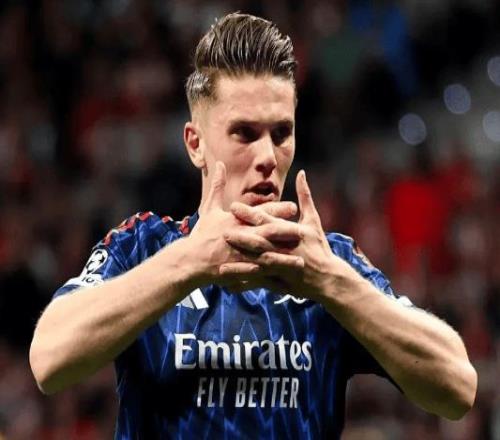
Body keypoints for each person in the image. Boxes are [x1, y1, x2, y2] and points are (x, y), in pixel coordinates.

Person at [30, 13, 477, 439]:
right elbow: (49, 359)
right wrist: (191, 262)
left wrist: (332, 283)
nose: (267, 157)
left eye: (281, 134)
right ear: (196, 144)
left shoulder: (327, 263)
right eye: (244, 133)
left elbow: (458, 387)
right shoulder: (143, 247)